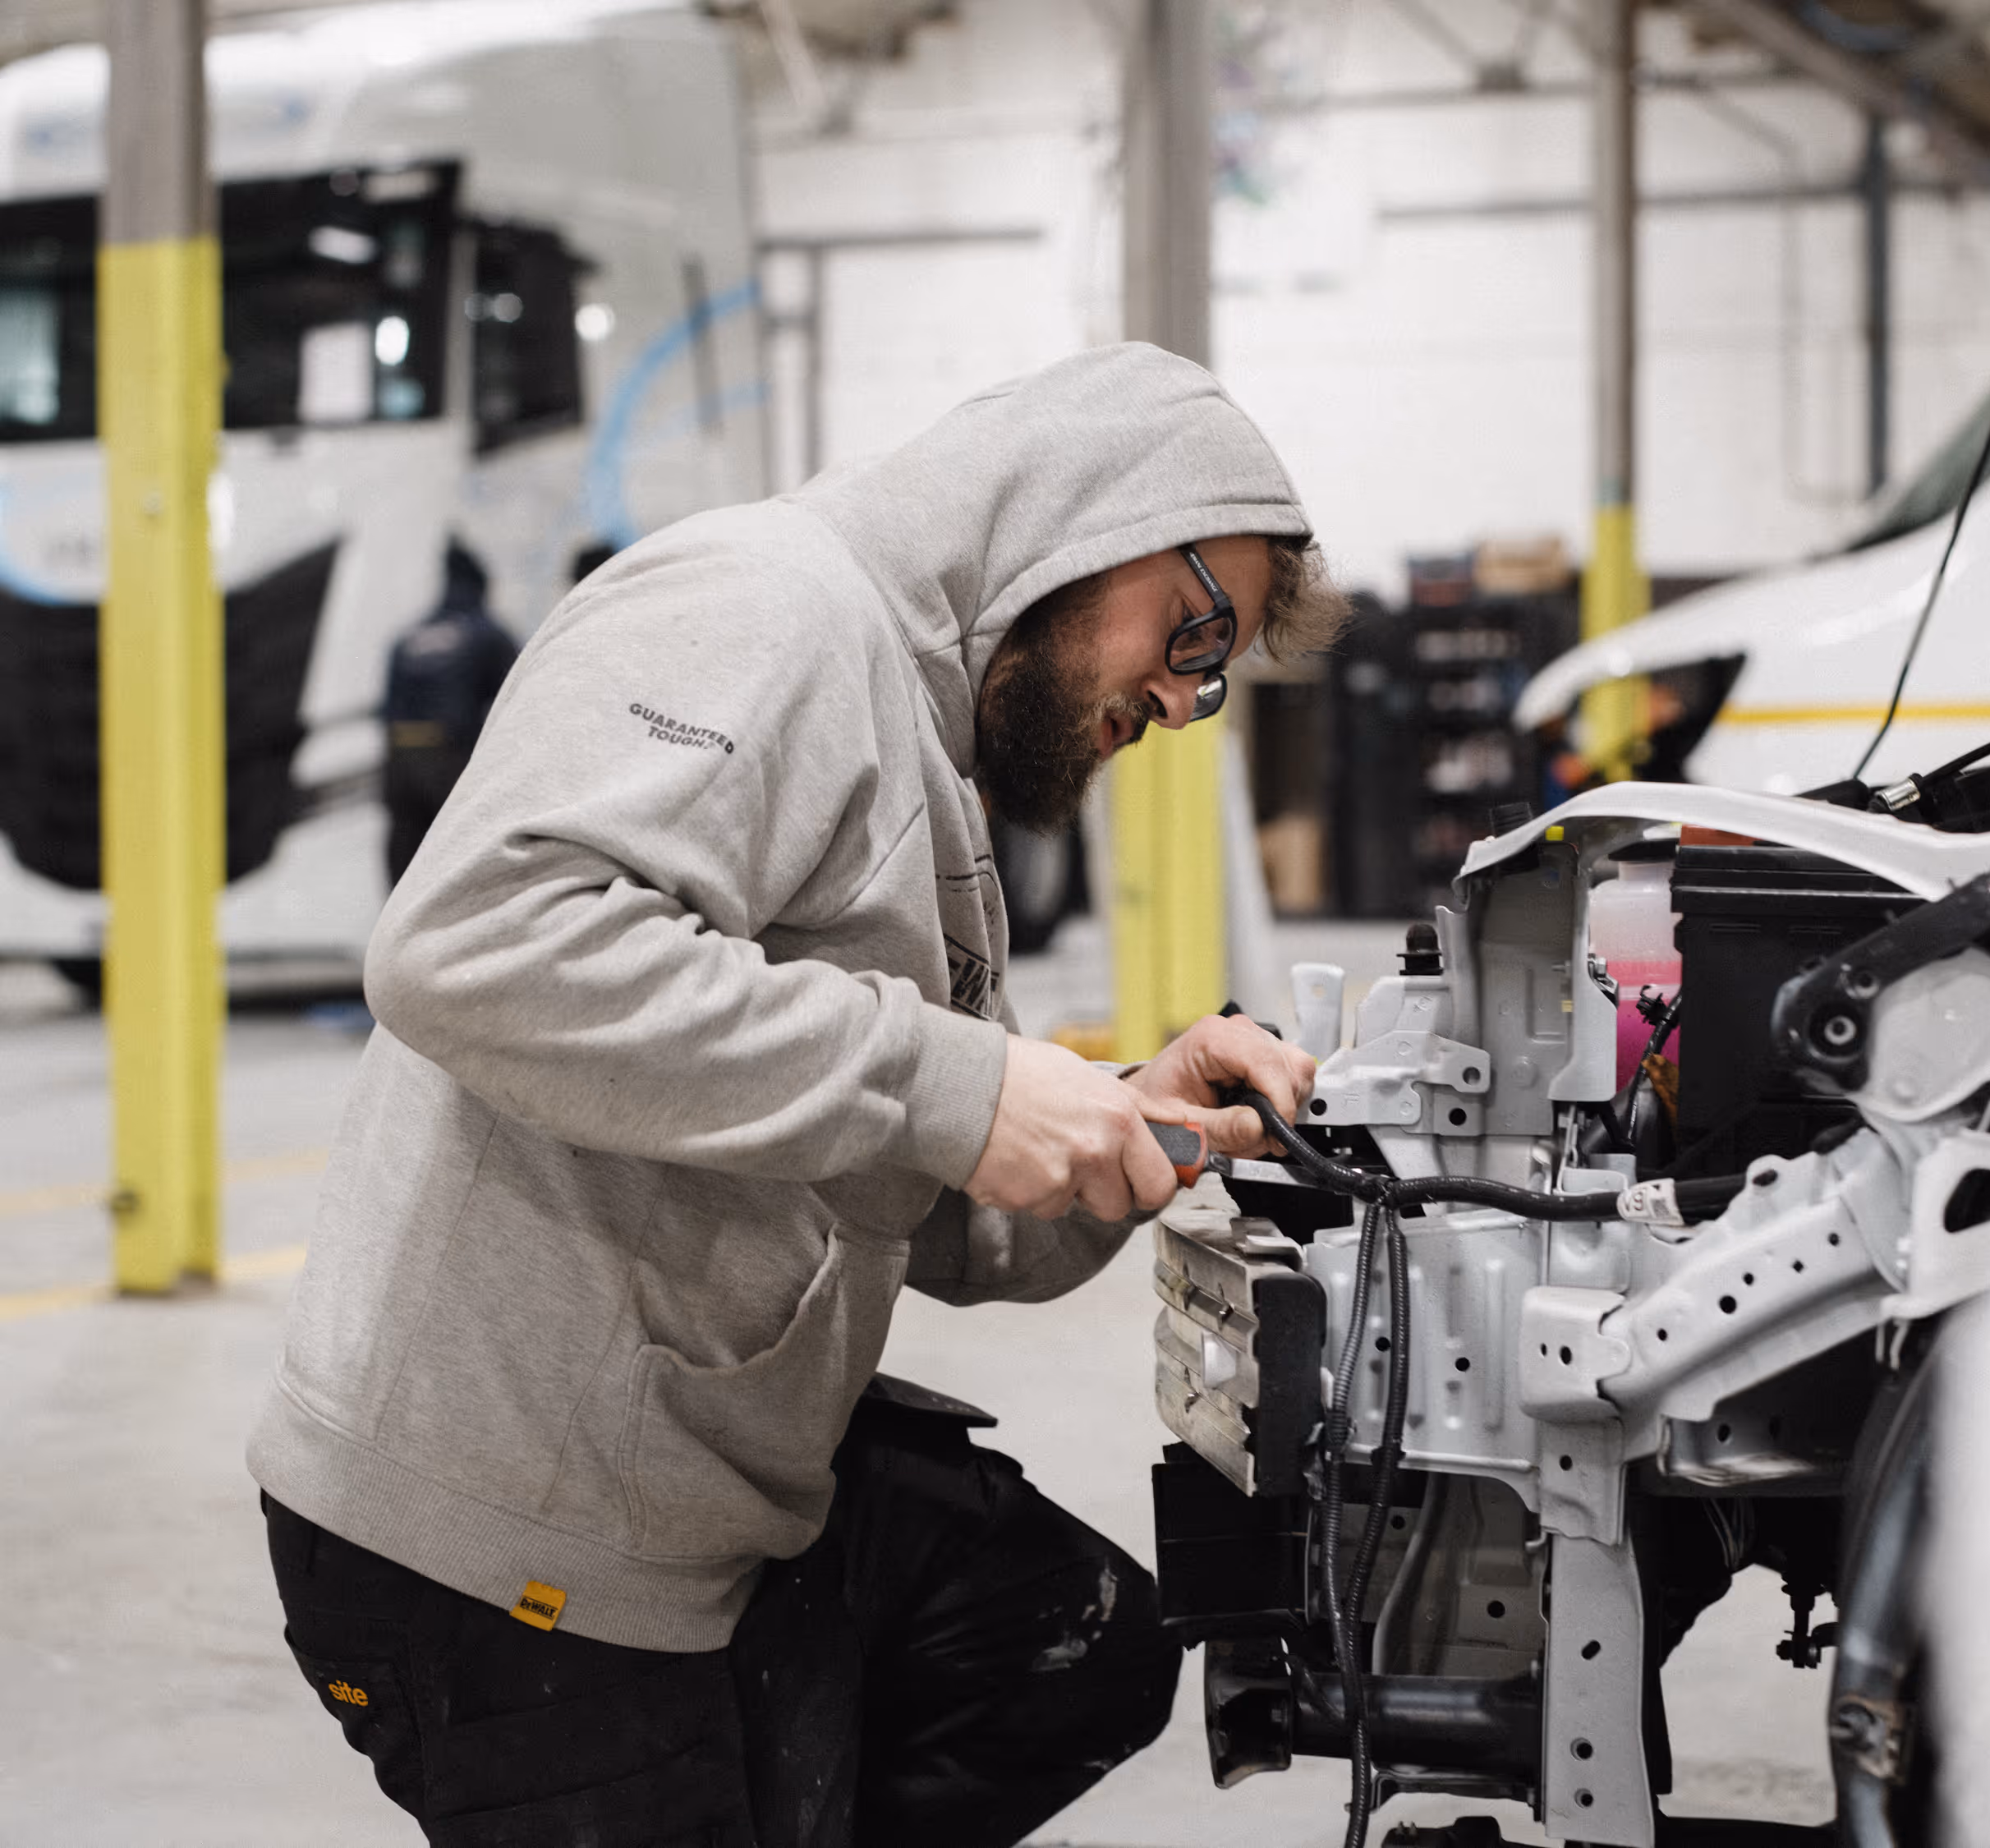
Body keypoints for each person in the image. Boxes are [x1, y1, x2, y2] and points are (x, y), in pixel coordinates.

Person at [249, 343, 1349, 1846]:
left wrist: (1126, 1123)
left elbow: (930, 1201)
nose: (1184, 694)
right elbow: (479, 946)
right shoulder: (770, 610)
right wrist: (953, 1081)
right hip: (511, 1528)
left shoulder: (929, 758)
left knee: (1069, 1645)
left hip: (694, 1478)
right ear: (1080, 523)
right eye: (1189, 623)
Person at [378, 538, 522, 885]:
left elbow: (386, 708)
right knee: (460, 864)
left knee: (406, 865)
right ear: (480, 585)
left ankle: (397, 936)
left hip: (398, 760)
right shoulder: (485, 633)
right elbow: (522, 695)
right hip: (448, 761)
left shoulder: (408, 636)